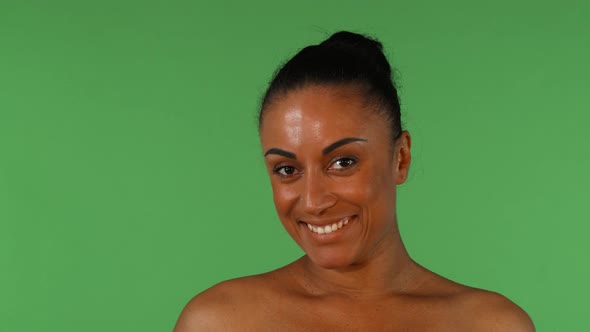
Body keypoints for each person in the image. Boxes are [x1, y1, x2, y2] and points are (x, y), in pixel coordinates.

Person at [174, 31, 535, 331]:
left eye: (342, 162)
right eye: (287, 169)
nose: (313, 201)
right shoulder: (220, 322)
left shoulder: (490, 325)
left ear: (400, 158)